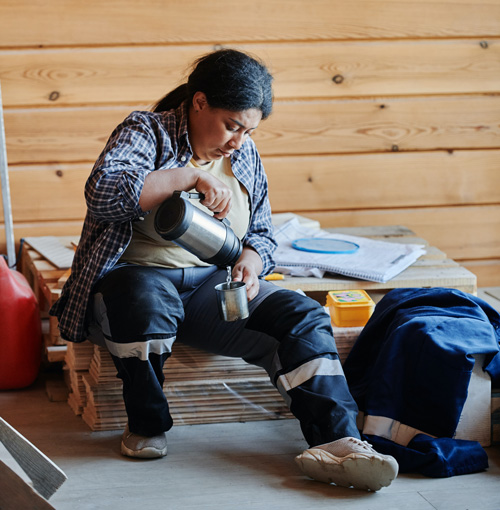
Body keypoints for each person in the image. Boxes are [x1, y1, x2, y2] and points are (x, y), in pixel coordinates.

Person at [50, 48, 398, 491]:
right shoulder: (147, 130)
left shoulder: (244, 154)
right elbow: (103, 192)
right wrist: (186, 176)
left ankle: (338, 442)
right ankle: (147, 424)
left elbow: (264, 234)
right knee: (143, 299)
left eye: (248, 130)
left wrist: (252, 261)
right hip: (131, 286)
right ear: (199, 103)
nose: (238, 140)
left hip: (208, 289)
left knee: (302, 315)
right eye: (232, 125)